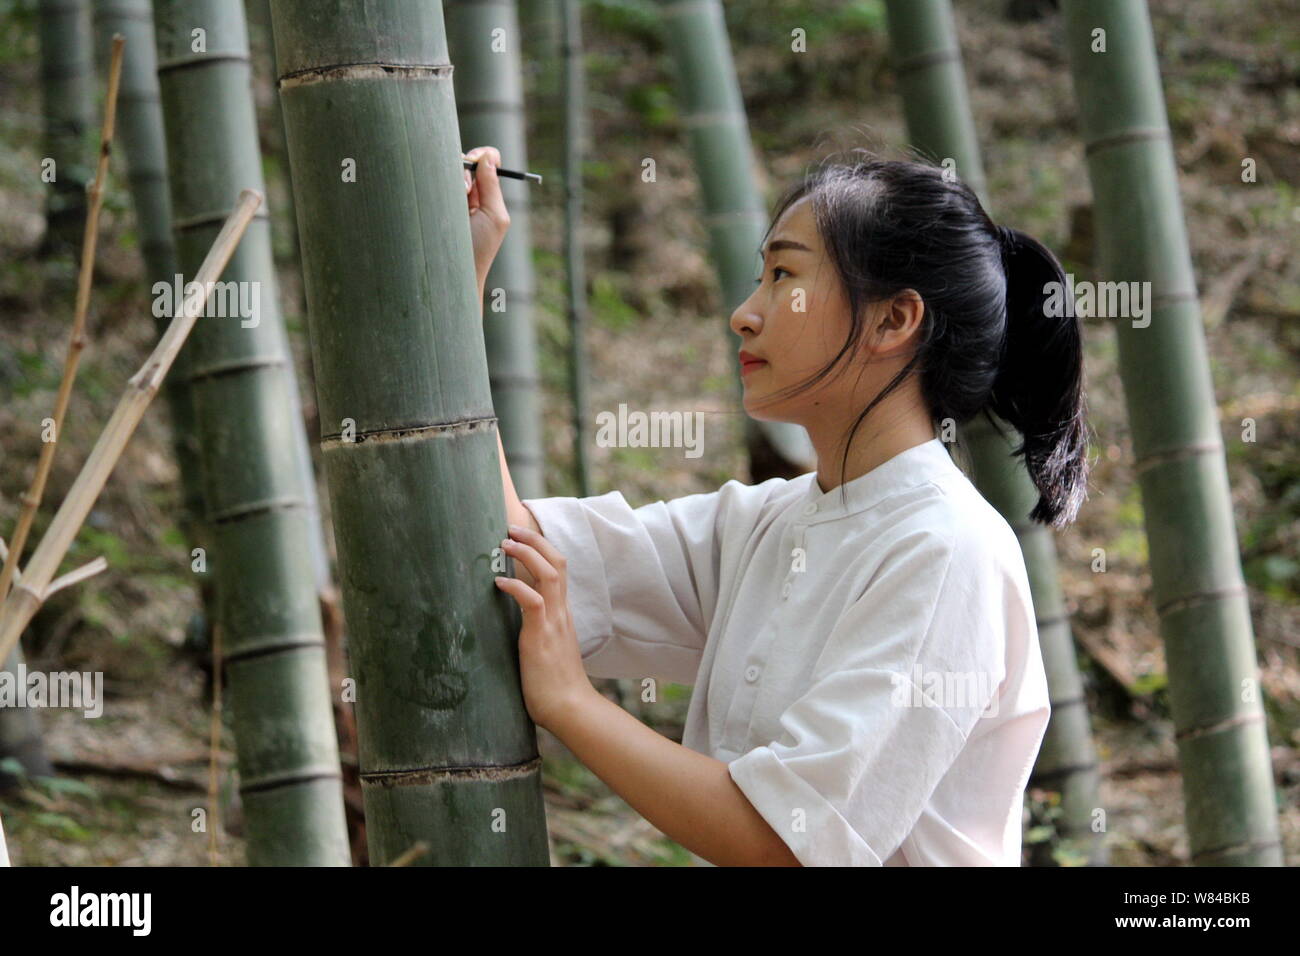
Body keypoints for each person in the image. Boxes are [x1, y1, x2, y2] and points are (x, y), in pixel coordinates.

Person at [463, 144, 1090, 866]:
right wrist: (464, 286)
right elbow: (515, 547)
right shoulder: (763, 525)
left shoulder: (947, 550)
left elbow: (787, 840)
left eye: (783, 276)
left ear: (893, 321)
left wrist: (571, 704)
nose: (742, 315)